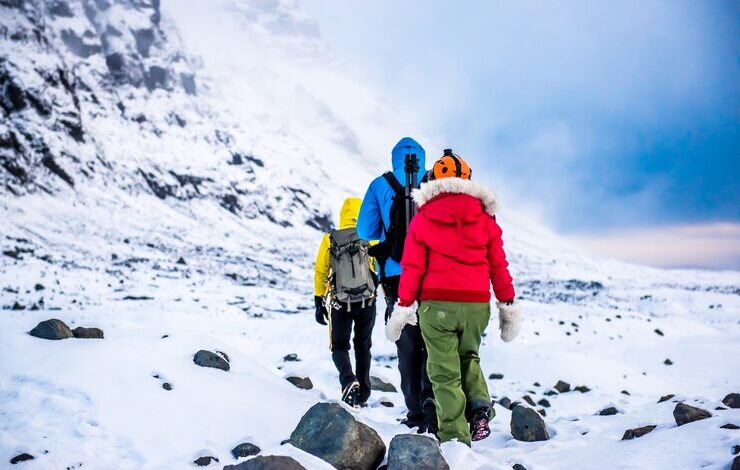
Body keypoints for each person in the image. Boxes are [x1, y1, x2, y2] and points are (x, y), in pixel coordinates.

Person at [386, 150, 520, 445]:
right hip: (477, 305)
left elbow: (412, 268)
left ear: (435, 179)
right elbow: (498, 265)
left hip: (437, 307)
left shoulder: (423, 218)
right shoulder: (486, 219)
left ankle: (456, 439)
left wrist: (404, 307)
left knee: (444, 372)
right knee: (469, 357)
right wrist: (506, 304)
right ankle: (479, 409)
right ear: (468, 180)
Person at [356, 137, 436, 433]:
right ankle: (434, 401)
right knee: (434, 342)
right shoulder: (436, 182)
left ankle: (415, 411)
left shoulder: (380, 185)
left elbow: (365, 230)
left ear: (393, 158)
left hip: (395, 276)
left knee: (407, 344)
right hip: (432, 274)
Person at [314, 197, 377, 407]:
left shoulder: (330, 239)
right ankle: (364, 394)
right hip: (367, 301)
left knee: (339, 346)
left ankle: (349, 381)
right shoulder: (369, 237)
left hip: (340, 303)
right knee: (363, 346)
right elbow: (379, 266)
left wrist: (318, 300)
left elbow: (321, 271)